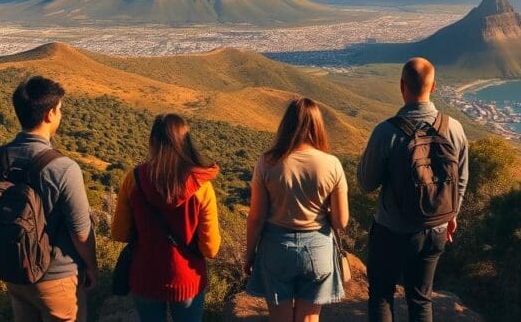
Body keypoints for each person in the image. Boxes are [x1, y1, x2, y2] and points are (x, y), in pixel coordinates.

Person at [0, 76, 97, 322]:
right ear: (50, 114)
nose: (60, 115)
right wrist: (92, 267)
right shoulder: (63, 168)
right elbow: (81, 233)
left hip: (13, 273)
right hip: (57, 279)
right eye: (59, 110)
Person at [357, 57, 469, 322]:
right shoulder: (454, 128)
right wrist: (451, 216)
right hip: (436, 231)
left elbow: (366, 184)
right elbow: (461, 180)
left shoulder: (386, 132)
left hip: (392, 230)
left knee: (382, 296)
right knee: (421, 299)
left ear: (401, 86)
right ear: (433, 87)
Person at [245, 98, 349, 322]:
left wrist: (249, 255)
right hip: (318, 248)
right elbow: (341, 221)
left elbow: (256, 217)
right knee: (309, 319)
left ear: (286, 125)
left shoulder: (267, 162)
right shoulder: (332, 164)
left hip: (276, 248)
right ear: (317, 126)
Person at [111, 114, 221, 322]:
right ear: (186, 143)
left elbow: (119, 233)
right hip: (187, 280)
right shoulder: (201, 187)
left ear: (152, 142)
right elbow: (211, 248)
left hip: (145, 277)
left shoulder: (134, 179)